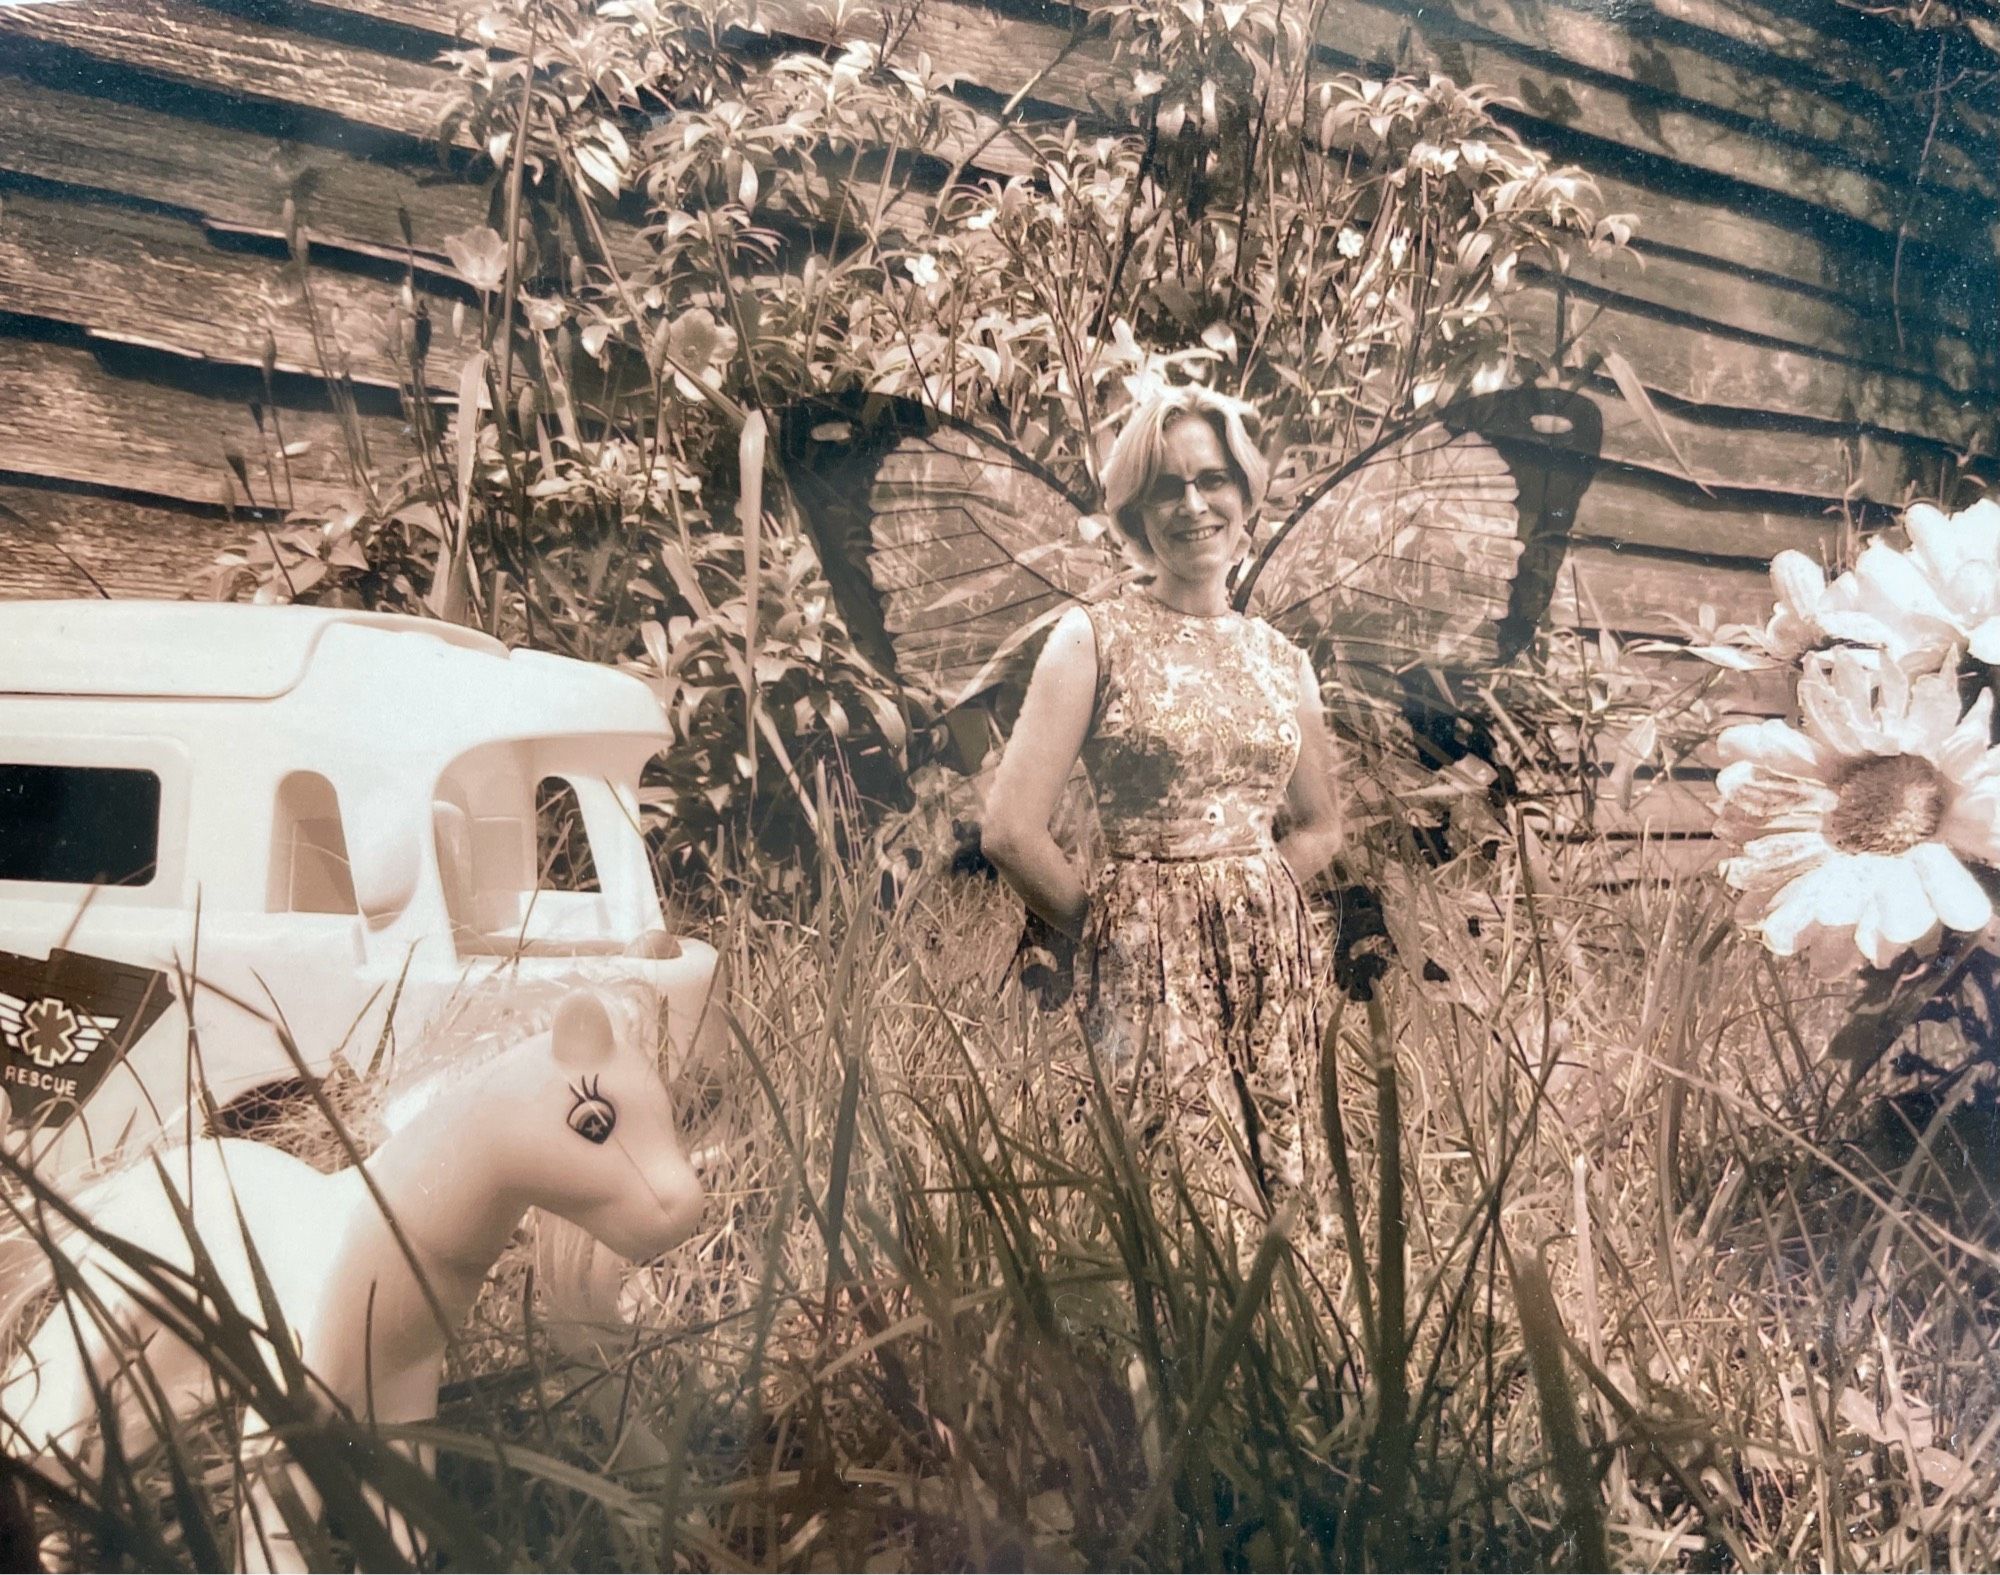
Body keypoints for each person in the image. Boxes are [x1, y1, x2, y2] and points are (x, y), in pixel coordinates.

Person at [980, 385, 1344, 1225]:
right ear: (1134, 512)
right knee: (1177, 1207)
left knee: (1277, 1192)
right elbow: (1008, 830)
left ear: (1245, 493)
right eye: (1164, 487)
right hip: (1146, 970)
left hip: (1268, 967)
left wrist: (1253, 899)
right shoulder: (1093, 637)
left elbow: (1322, 824)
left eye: (1211, 479)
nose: (1192, 504)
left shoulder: (1282, 661)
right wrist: (1117, 928)